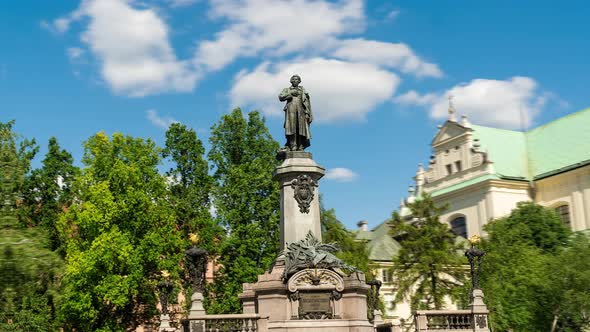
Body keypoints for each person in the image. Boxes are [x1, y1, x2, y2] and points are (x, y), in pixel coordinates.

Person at [279, 75, 312, 151]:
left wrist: (307, 113)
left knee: (301, 128)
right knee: (291, 128)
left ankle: (301, 145)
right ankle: (293, 144)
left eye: (296, 79)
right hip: (291, 110)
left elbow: (306, 102)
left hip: (301, 111)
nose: (294, 80)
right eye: (293, 79)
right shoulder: (287, 89)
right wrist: (290, 94)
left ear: (299, 81)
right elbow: (281, 97)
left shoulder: (302, 90)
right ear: (291, 81)